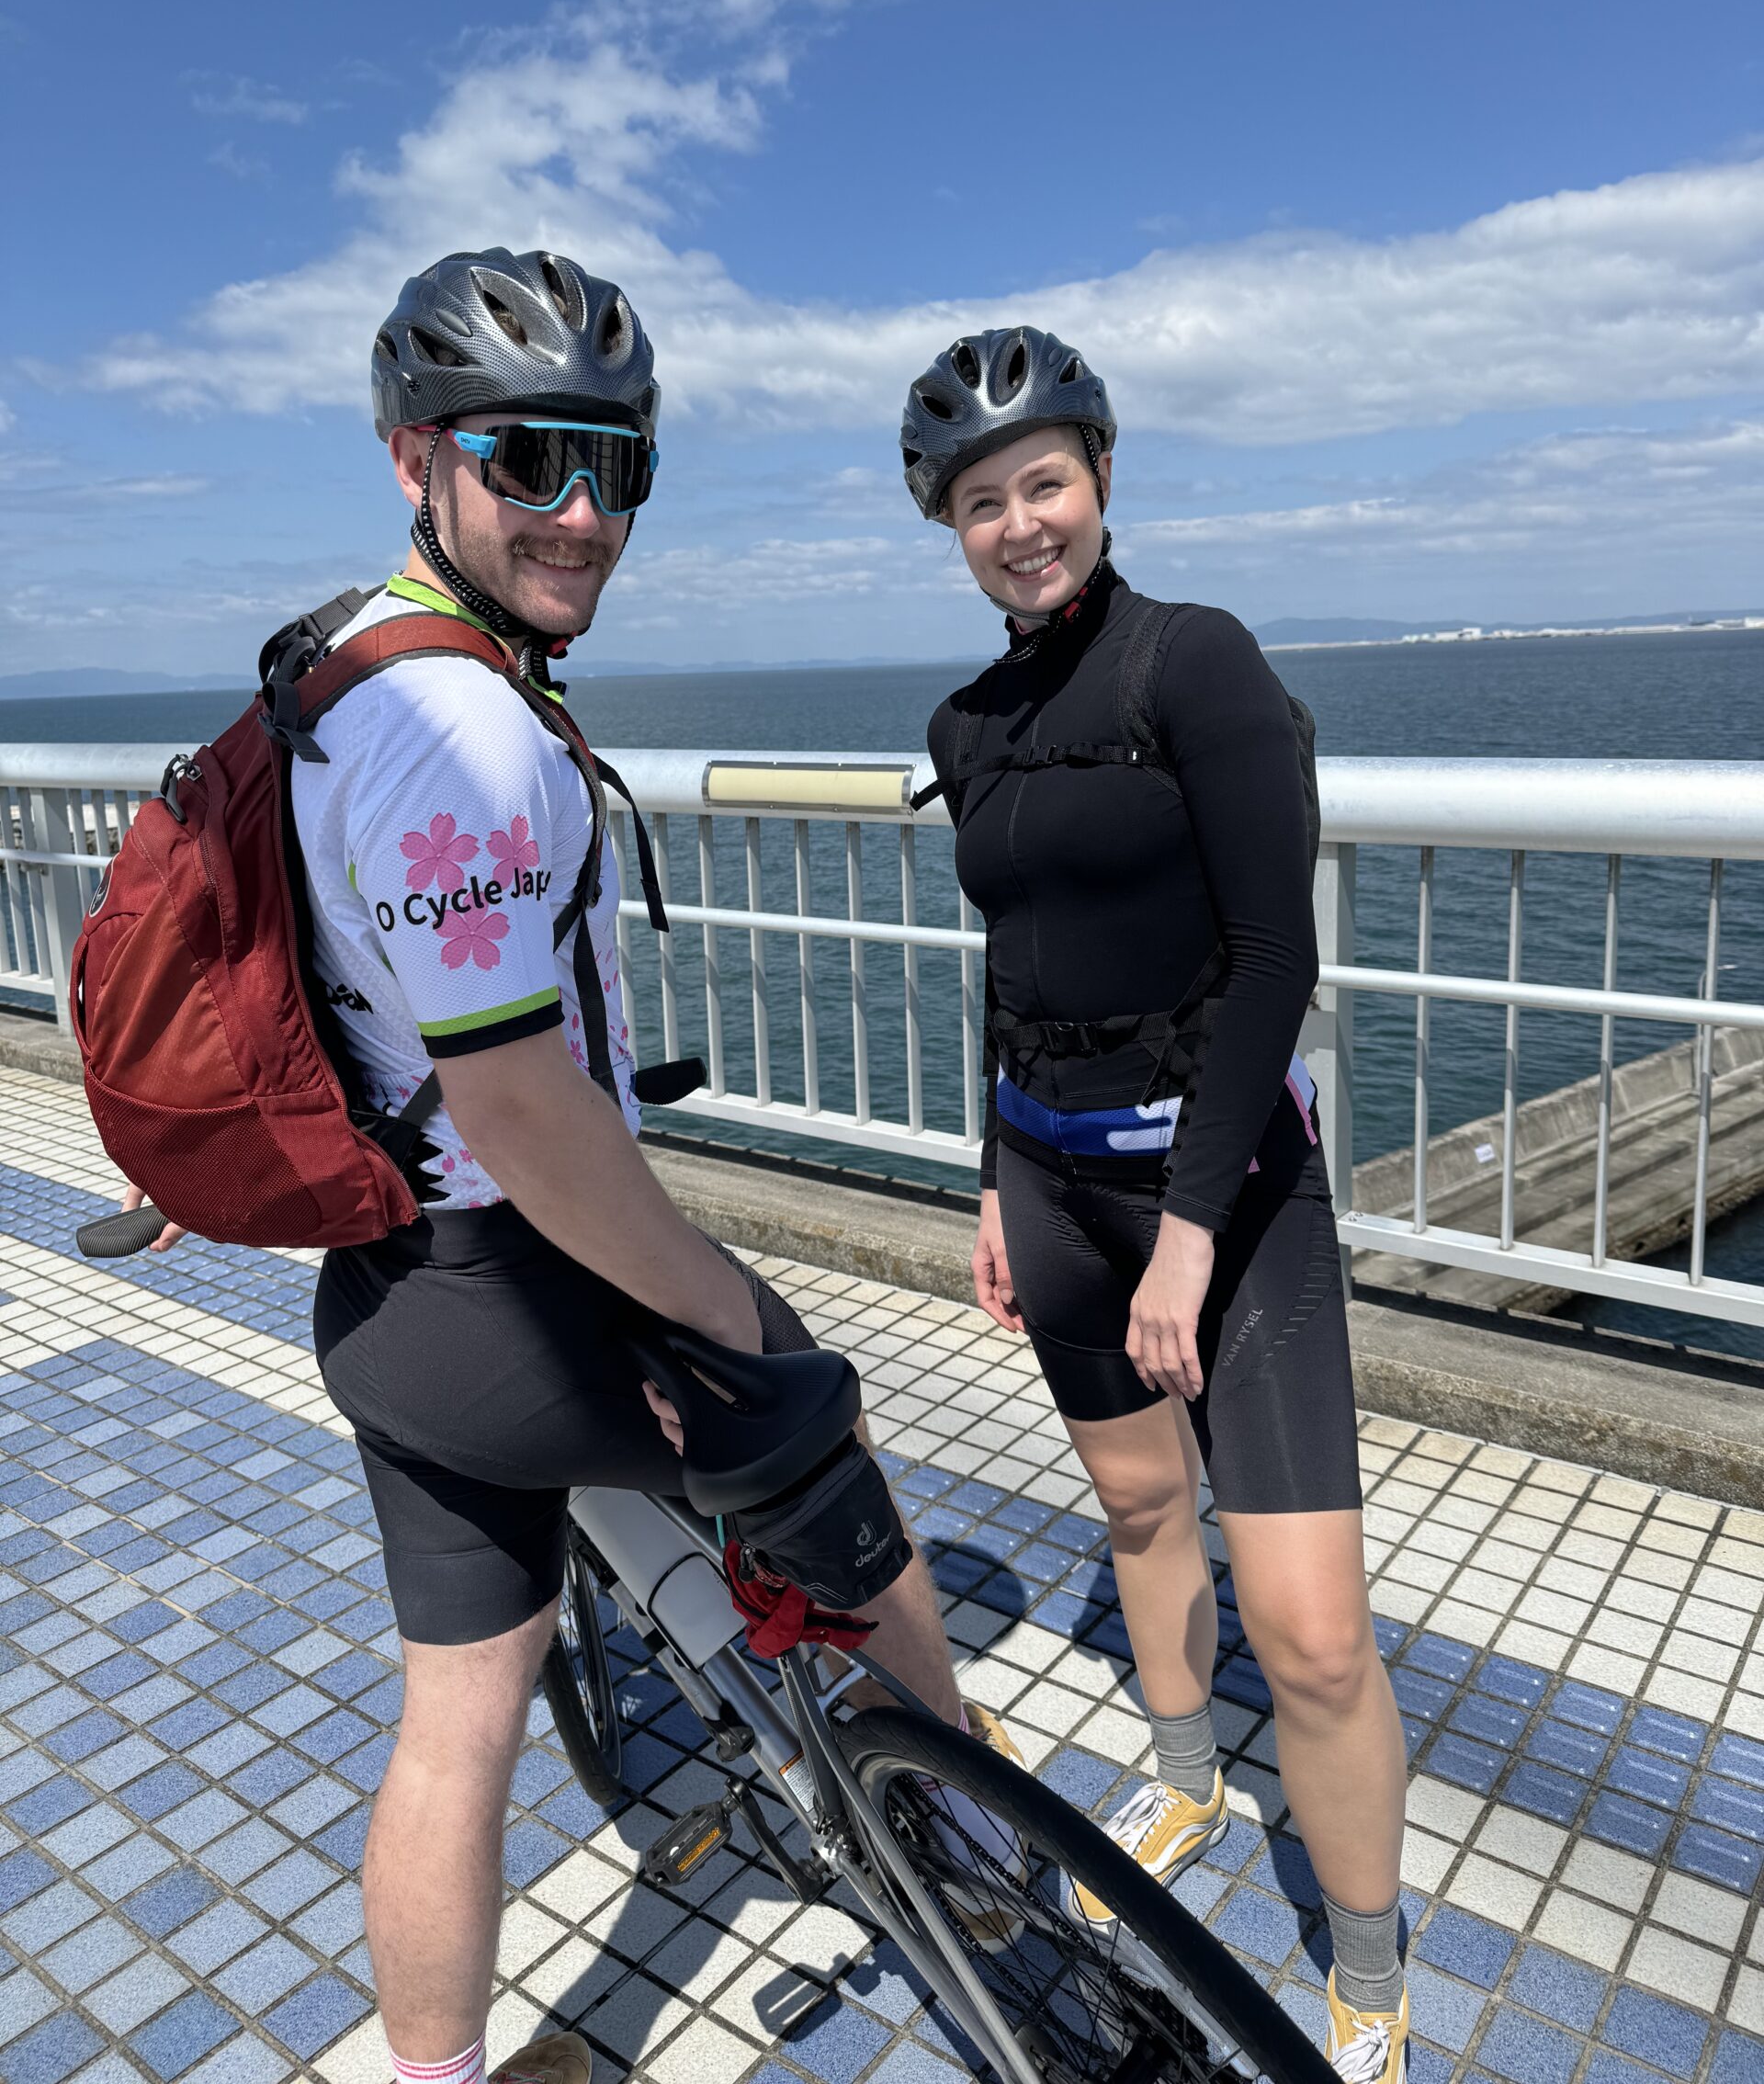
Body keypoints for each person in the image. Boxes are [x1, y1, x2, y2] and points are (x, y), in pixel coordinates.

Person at [128, 250, 1017, 2084]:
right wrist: (720, 1311)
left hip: (382, 1294)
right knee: (833, 1461)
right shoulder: (461, 724)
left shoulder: (338, 668)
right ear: (414, 457)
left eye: (620, 466)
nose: (584, 511)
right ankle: (996, 1860)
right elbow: (526, 1106)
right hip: (518, 1286)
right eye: (530, 458)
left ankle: (438, 2071)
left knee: (454, 1723)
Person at [903, 328, 1411, 2084]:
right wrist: (990, 1175)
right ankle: (1189, 1783)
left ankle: (1368, 1959)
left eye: (1045, 481)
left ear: (1101, 481)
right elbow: (1009, 967)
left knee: (1318, 1631)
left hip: (1233, 1200)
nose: (1021, 522)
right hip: (1050, 1185)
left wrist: (1194, 1226)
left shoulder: (1198, 663)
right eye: (983, 501)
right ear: (948, 527)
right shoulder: (964, 725)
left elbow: (1279, 955)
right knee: (1138, 1517)